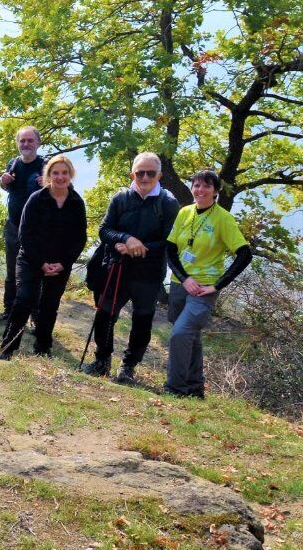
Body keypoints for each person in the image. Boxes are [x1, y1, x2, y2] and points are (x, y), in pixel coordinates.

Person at [81, 153, 179, 383]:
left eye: (150, 173)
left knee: (142, 322)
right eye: (140, 173)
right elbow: (104, 230)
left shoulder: (168, 203)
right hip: (117, 268)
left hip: (149, 273)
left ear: (159, 176)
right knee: (105, 316)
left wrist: (139, 247)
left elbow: (171, 241)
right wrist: (125, 239)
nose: (144, 177)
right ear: (132, 175)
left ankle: (128, 367)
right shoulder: (120, 198)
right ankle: (102, 361)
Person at [163, 170, 252, 398]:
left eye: (207, 186)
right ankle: (195, 387)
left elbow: (244, 254)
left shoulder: (223, 218)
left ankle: (175, 387)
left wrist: (217, 286)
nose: (200, 190)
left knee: (180, 333)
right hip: (179, 284)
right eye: (197, 185)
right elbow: (170, 249)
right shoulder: (184, 212)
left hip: (203, 290)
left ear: (216, 191)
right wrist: (185, 279)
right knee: (191, 336)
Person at [0, 155, 87, 359]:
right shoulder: (37, 199)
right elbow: (25, 234)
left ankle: (42, 348)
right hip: (31, 259)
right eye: (55, 173)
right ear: (48, 175)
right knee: (24, 300)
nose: (60, 177)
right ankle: (7, 348)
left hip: (60, 263)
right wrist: (41, 263)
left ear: (70, 175)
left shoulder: (76, 202)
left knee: (50, 305)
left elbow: (79, 238)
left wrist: (64, 263)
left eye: (64, 173)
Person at [0, 126, 46, 327]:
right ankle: (9, 311)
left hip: (38, 230)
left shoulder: (46, 165)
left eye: (30, 140)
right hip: (14, 225)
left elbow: (63, 188)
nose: (26, 144)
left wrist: (47, 182)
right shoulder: (13, 163)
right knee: (12, 271)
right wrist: (4, 182)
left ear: (38, 142)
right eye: (22, 140)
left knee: (36, 272)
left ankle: (35, 317)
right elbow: (8, 187)